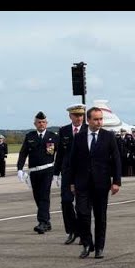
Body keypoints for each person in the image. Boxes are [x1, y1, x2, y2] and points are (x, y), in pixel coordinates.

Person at [69, 106, 122, 259]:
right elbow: (73, 161)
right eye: (96, 119)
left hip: (101, 183)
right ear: (88, 120)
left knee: (100, 216)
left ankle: (99, 247)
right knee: (82, 213)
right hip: (82, 183)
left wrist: (116, 181)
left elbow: (116, 160)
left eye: (101, 119)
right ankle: (87, 243)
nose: (99, 122)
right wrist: (71, 181)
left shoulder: (108, 136)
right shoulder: (79, 137)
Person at [17, 111, 59, 234]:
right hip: (34, 171)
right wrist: (19, 168)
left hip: (47, 169)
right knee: (37, 196)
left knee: (44, 195)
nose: (41, 124)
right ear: (35, 124)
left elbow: (60, 154)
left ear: (47, 123)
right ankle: (47, 221)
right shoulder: (30, 136)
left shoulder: (53, 136)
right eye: (39, 122)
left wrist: (59, 170)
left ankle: (42, 222)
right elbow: (23, 153)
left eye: (43, 122)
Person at [53, 103, 87, 245]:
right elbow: (60, 153)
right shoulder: (64, 131)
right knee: (66, 202)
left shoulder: (87, 130)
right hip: (67, 172)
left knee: (82, 205)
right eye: (76, 115)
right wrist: (56, 172)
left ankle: (84, 232)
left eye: (81, 115)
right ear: (70, 116)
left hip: (83, 173)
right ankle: (72, 230)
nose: (79, 118)